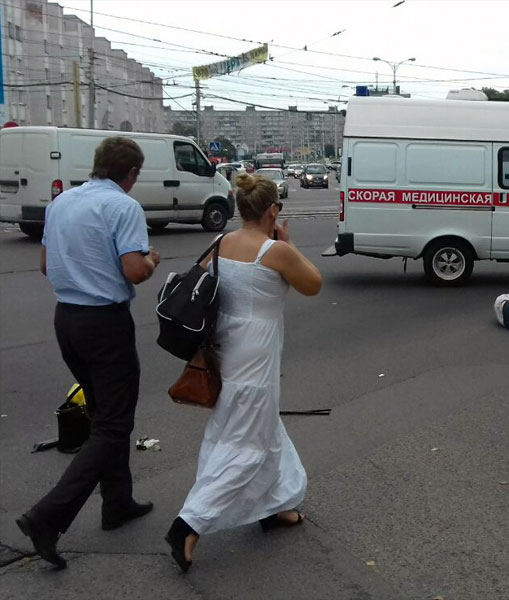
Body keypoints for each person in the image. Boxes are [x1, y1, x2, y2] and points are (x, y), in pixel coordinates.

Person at [166, 173, 322, 573]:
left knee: (260, 428)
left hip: (226, 347)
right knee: (248, 444)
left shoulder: (221, 243)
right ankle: (188, 524)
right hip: (255, 355)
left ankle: (273, 507)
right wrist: (289, 243)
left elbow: (203, 283)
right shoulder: (275, 250)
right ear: (271, 210)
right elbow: (313, 284)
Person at [17, 137, 160, 569]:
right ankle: (47, 517)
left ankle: (117, 503)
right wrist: (151, 260)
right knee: (114, 425)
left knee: (104, 414)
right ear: (130, 173)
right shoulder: (123, 206)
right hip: (105, 324)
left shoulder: (62, 202)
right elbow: (134, 271)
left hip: (67, 320)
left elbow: (46, 265)